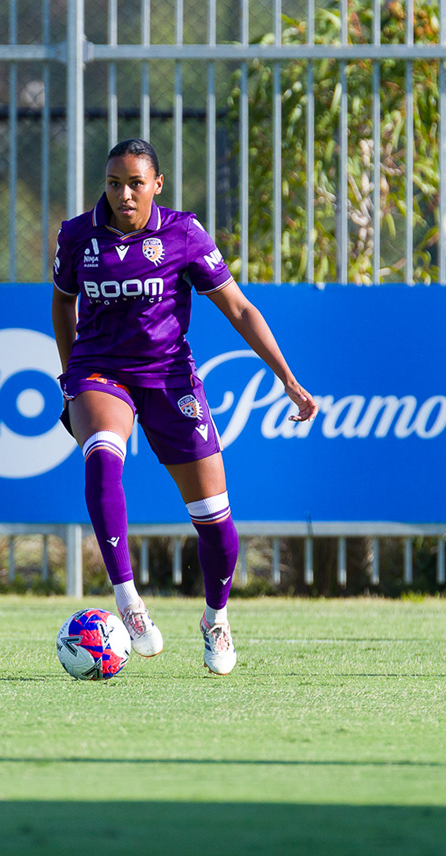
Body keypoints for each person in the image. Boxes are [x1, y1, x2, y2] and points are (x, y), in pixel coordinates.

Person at [52, 138, 317, 675]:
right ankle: (128, 602)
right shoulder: (78, 235)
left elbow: (238, 308)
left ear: (157, 184)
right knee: (102, 456)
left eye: (135, 183)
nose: (124, 194)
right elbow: (63, 301)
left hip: (170, 379)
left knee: (215, 520)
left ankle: (215, 617)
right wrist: (70, 377)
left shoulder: (183, 233)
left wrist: (287, 378)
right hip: (100, 371)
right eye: (113, 183)